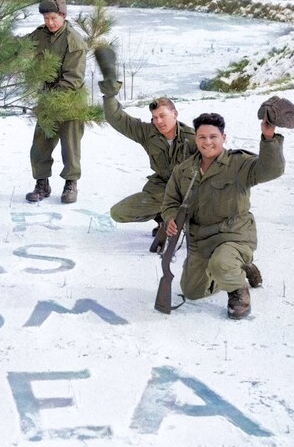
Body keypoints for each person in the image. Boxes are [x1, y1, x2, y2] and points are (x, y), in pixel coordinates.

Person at [162, 112, 284, 320]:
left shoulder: (239, 164)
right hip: (201, 240)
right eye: (202, 137)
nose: (207, 142)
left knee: (221, 264)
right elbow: (170, 202)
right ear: (195, 139)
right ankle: (237, 268)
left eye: (213, 137)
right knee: (192, 291)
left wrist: (269, 137)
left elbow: (271, 170)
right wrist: (171, 218)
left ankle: (238, 291)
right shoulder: (184, 171)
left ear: (223, 138)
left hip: (234, 235)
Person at [24, 0, 87, 204]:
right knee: (40, 145)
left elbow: (73, 79)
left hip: (71, 100)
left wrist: (51, 97)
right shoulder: (41, 35)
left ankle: (71, 184)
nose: (49, 23)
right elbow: (21, 48)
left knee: (70, 146)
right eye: (45, 19)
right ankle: (42, 184)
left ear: (62, 15)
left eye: (53, 18)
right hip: (47, 99)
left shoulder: (74, 40)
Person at [104, 94, 196, 233]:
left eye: (162, 115)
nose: (158, 121)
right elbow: (119, 119)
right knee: (118, 212)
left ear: (174, 114)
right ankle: (164, 218)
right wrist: (109, 95)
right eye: (154, 117)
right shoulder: (148, 132)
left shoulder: (193, 138)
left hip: (189, 192)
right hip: (162, 190)